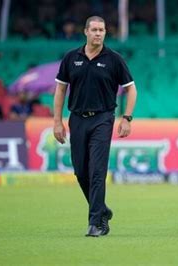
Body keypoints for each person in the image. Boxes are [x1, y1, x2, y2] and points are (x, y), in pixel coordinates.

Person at [53, 16, 137, 237]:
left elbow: (131, 89)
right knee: (81, 171)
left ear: (105, 33)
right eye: (95, 30)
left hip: (103, 118)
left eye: (102, 30)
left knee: (97, 170)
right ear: (86, 32)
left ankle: (95, 223)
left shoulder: (114, 59)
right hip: (77, 119)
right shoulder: (71, 58)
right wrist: (57, 121)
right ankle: (101, 210)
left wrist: (126, 118)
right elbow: (60, 90)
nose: (98, 33)